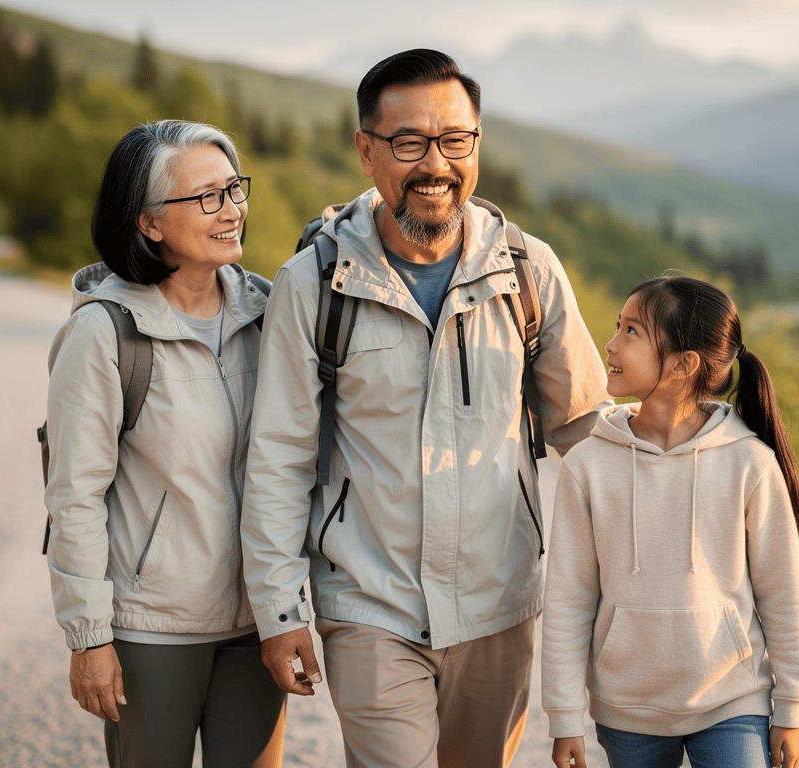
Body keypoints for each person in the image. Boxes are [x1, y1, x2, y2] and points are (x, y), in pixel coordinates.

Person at [240, 49, 609, 768]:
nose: (434, 164)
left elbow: (587, 428)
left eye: (455, 140)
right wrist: (279, 612)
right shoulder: (314, 284)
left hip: (500, 605)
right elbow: (279, 456)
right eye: (409, 142)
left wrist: (694, 462)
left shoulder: (528, 271)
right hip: (369, 606)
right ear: (366, 150)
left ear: (476, 143)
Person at [45, 120, 285, 768]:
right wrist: (89, 637)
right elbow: (74, 497)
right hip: (152, 632)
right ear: (149, 222)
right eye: (207, 197)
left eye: (235, 189)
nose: (232, 209)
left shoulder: (271, 314)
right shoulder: (104, 334)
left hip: (257, 628)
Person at [541, 275, 799, 768]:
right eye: (617, 326)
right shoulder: (587, 466)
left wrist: (793, 708)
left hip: (731, 699)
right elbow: (567, 598)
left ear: (683, 364)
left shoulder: (749, 464)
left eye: (631, 332)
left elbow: (783, 593)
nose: (609, 344)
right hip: (628, 710)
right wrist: (564, 715)